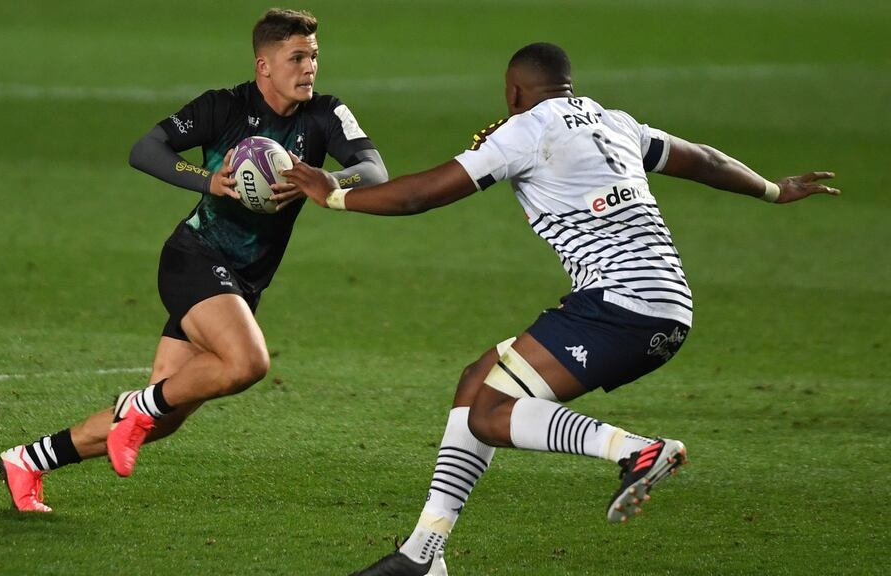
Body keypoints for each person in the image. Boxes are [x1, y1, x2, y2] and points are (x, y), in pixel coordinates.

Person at [283, 42, 839, 575]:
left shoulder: (524, 131)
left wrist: (333, 193)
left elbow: (418, 194)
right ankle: (423, 553)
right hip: (665, 305)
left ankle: (638, 451)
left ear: (515, 92)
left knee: (490, 414)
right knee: (478, 379)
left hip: (621, 307)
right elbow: (703, 159)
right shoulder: (614, 120)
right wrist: (771, 188)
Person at [0, 8, 388, 512]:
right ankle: (138, 404)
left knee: (163, 420)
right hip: (194, 259)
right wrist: (207, 180)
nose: (309, 67)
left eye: (313, 56)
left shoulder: (325, 114)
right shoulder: (222, 107)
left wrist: (331, 181)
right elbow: (146, 149)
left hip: (243, 283)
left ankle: (28, 460)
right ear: (263, 65)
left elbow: (374, 171)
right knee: (247, 363)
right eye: (296, 57)